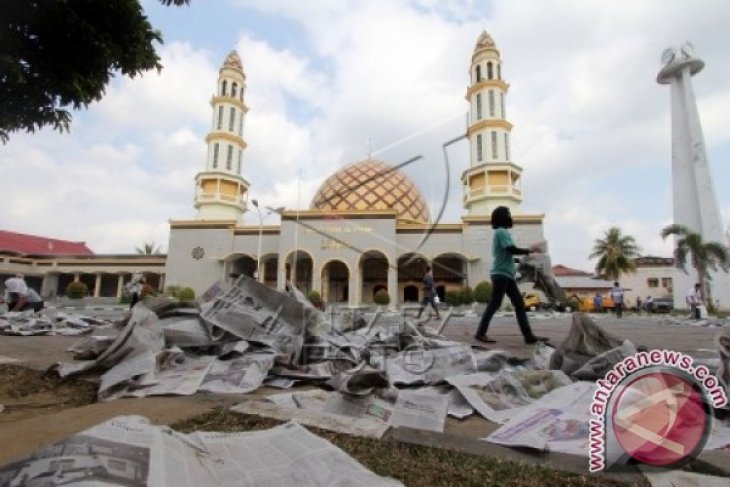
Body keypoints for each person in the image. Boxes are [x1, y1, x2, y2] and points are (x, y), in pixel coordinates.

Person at [474, 206, 548, 345]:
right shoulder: (501, 232)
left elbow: (505, 255)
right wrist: (530, 250)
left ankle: (528, 336)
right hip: (501, 274)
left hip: (506, 275)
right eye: (508, 214)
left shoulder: (502, 233)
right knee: (495, 304)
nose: (510, 216)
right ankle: (480, 333)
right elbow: (511, 249)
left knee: (519, 304)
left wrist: (520, 260)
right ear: (503, 217)